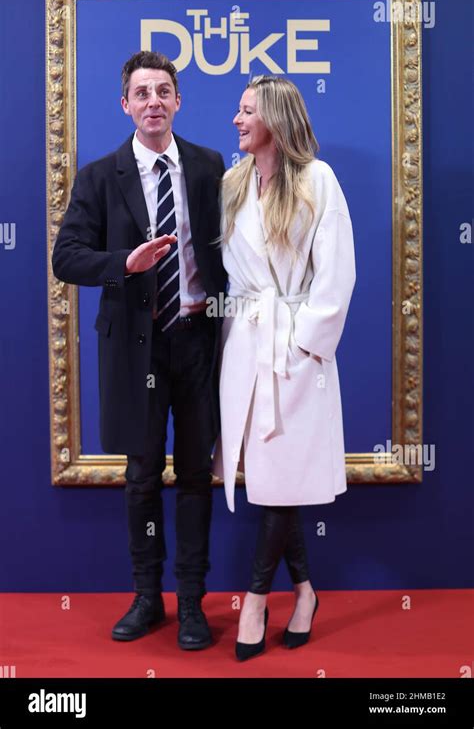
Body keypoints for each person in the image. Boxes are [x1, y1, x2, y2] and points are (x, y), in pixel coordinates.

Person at [52, 51, 226, 651]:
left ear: (179, 101)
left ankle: (193, 604)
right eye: (142, 92)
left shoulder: (209, 167)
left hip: (199, 341)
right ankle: (148, 598)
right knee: (142, 478)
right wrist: (121, 264)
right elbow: (65, 257)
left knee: (199, 477)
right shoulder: (100, 176)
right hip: (137, 349)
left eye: (164, 91)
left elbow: (229, 255)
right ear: (124, 104)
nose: (154, 101)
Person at [213, 75, 356, 661]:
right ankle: (304, 592)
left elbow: (337, 273)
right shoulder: (232, 183)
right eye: (239, 110)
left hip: (297, 352)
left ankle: (253, 598)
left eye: (247, 111)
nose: (237, 120)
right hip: (245, 344)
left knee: (280, 484)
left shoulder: (317, 181)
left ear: (276, 118)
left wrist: (303, 344)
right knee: (272, 480)